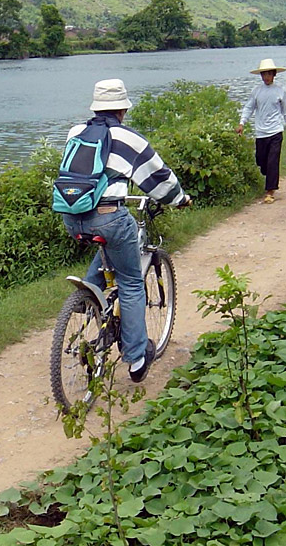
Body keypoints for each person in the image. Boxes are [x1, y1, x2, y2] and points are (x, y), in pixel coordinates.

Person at [60, 79, 191, 383]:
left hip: (71, 216)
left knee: (109, 246)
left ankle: (88, 297)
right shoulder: (128, 138)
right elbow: (159, 178)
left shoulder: (75, 133)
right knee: (131, 281)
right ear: (122, 109)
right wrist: (179, 199)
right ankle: (135, 358)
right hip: (109, 217)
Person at [235, 58, 286, 204]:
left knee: (272, 161)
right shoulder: (256, 91)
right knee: (261, 160)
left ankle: (270, 191)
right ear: (261, 75)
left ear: (274, 74)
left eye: (269, 74)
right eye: (264, 74)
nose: (266, 77)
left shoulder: (280, 92)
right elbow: (248, 108)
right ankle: (268, 176)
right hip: (260, 133)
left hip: (276, 131)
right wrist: (242, 123)